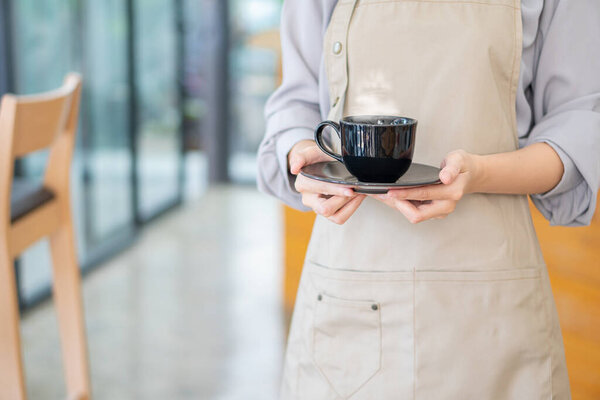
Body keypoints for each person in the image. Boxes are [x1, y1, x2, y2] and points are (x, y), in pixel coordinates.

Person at [257, 0, 600, 398]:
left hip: (493, 310)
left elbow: (579, 126)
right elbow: (294, 104)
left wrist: (481, 174)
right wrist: (301, 156)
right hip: (349, 300)